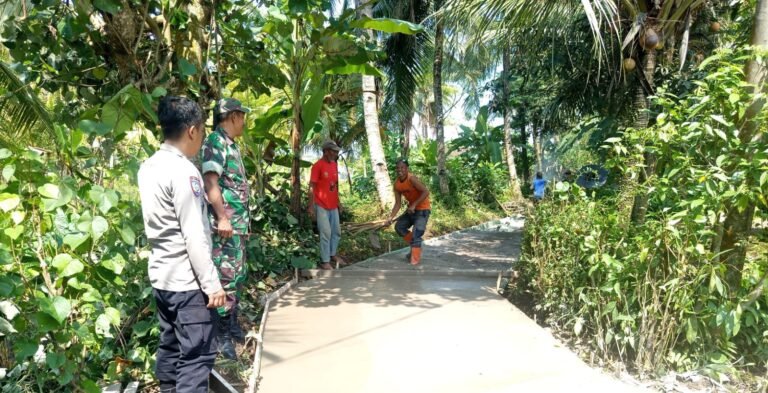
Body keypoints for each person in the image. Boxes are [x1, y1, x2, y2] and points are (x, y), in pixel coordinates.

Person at [138, 96, 226, 393]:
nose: (201, 137)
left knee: (171, 347)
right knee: (196, 357)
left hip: (163, 279)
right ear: (192, 130)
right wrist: (212, 285)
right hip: (187, 284)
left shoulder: (148, 167)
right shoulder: (185, 171)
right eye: (201, 131)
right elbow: (193, 235)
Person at [200, 98, 250, 359]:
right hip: (226, 227)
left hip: (236, 227)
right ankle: (220, 336)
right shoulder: (215, 142)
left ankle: (231, 326)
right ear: (232, 116)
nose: (244, 121)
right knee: (226, 279)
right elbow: (211, 181)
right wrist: (222, 217)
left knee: (237, 276)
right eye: (242, 116)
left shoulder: (230, 145)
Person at [307, 139, 346, 270]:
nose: (336, 154)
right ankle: (325, 261)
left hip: (333, 205)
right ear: (326, 152)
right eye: (334, 151)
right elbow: (312, 187)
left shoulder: (334, 164)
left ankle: (332, 254)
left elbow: (335, 185)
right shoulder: (317, 166)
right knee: (326, 233)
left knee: (336, 232)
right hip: (321, 204)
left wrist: (339, 202)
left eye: (336, 152)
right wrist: (311, 206)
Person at [385, 159, 431, 266]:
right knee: (399, 227)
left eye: (402, 168)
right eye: (398, 168)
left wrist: (414, 204)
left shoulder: (412, 179)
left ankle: (414, 262)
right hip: (412, 210)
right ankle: (416, 246)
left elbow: (426, 192)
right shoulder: (396, 184)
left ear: (407, 169)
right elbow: (397, 203)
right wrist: (390, 217)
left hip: (423, 209)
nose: (400, 170)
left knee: (417, 233)